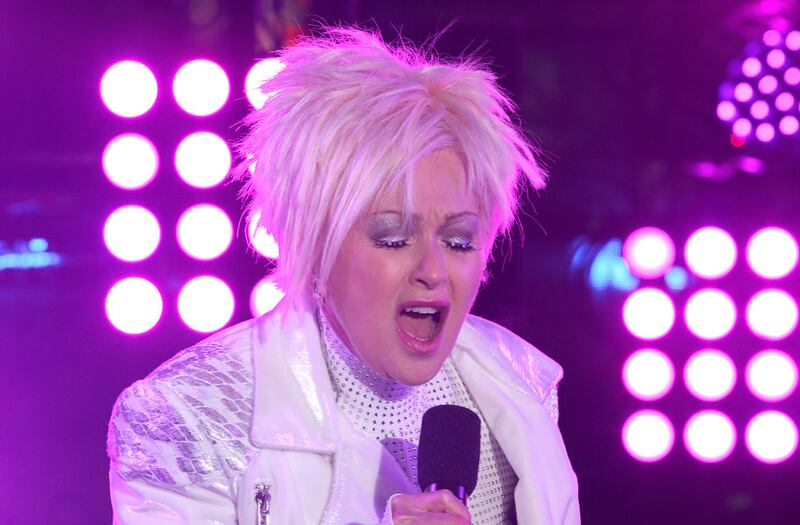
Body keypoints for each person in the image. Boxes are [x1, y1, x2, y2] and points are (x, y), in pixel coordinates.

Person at [107, 25, 580, 525]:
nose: (434, 271)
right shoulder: (188, 412)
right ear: (315, 248)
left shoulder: (522, 386)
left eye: (459, 241)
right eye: (393, 238)